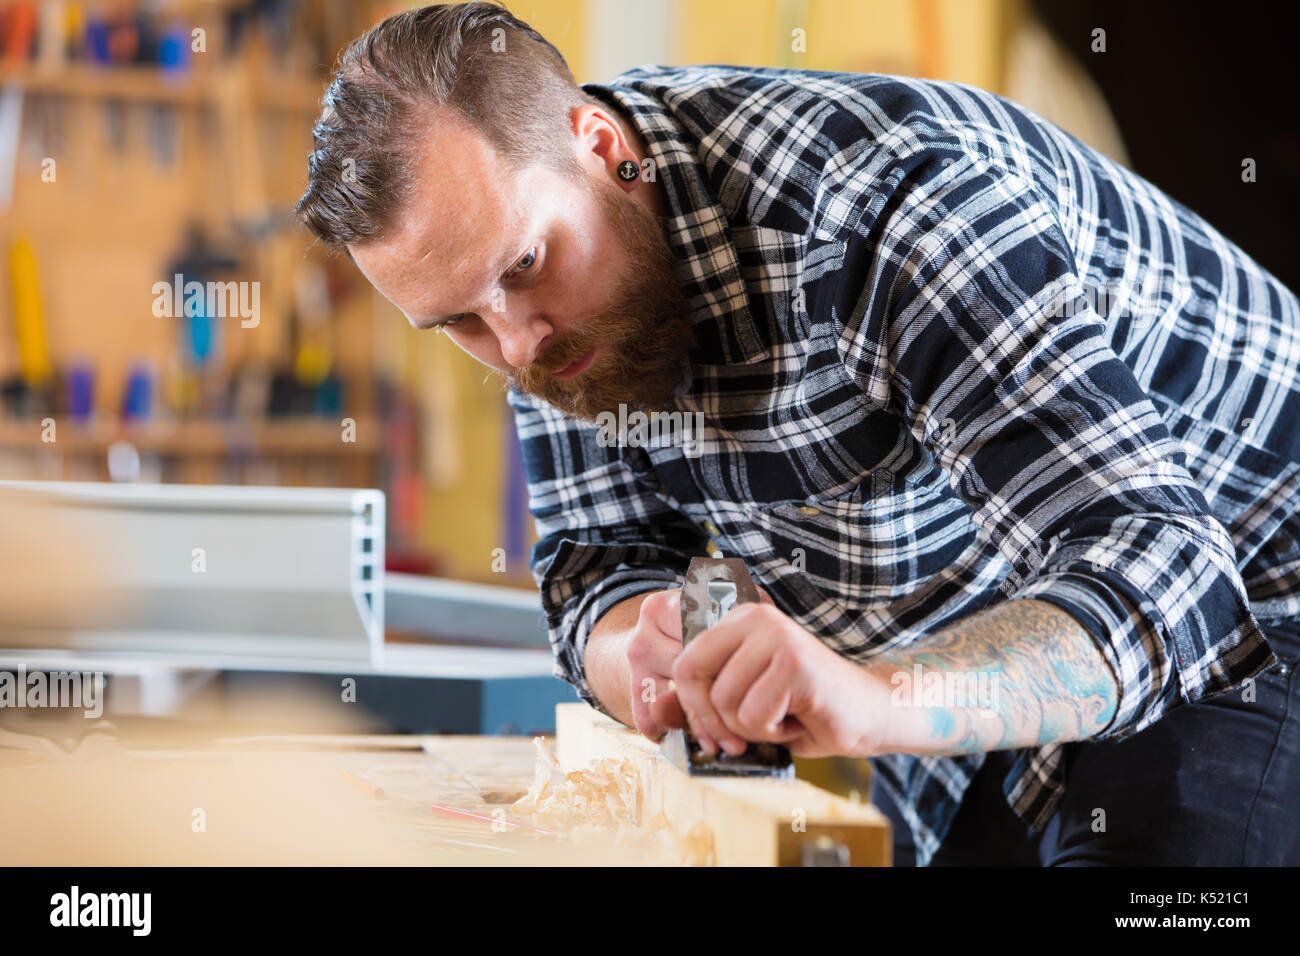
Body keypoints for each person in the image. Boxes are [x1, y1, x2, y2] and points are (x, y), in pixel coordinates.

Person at [297, 2, 1300, 865]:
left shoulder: (873, 211)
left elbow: (1164, 568)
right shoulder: (540, 300)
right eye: (460, 321)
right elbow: (601, 561)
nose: (516, 343)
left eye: (524, 266)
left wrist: (872, 695)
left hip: (1250, 582)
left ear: (601, 148)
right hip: (997, 606)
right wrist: (642, 651)